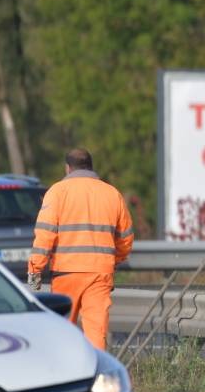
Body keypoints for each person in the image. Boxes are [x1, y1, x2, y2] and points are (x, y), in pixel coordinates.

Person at [26, 148, 134, 351]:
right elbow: (126, 237)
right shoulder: (112, 193)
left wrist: (35, 269)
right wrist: (114, 259)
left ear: (67, 168)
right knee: (96, 331)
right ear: (90, 167)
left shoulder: (57, 192)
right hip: (100, 273)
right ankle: (96, 376)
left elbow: (45, 234)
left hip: (66, 272)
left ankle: (67, 375)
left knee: (63, 330)